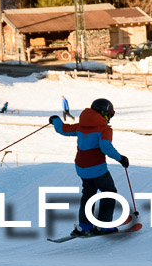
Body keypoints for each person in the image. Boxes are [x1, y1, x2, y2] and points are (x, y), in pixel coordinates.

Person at [50, 98, 129, 237]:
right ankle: (105, 226)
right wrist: (121, 158)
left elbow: (63, 129)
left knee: (88, 194)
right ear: (104, 113)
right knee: (108, 192)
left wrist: (55, 119)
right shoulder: (104, 129)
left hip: (81, 167)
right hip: (97, 168)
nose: (110, 118)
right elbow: (105, 147)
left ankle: (85, 226)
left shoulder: (81, 125)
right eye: (110, 115)